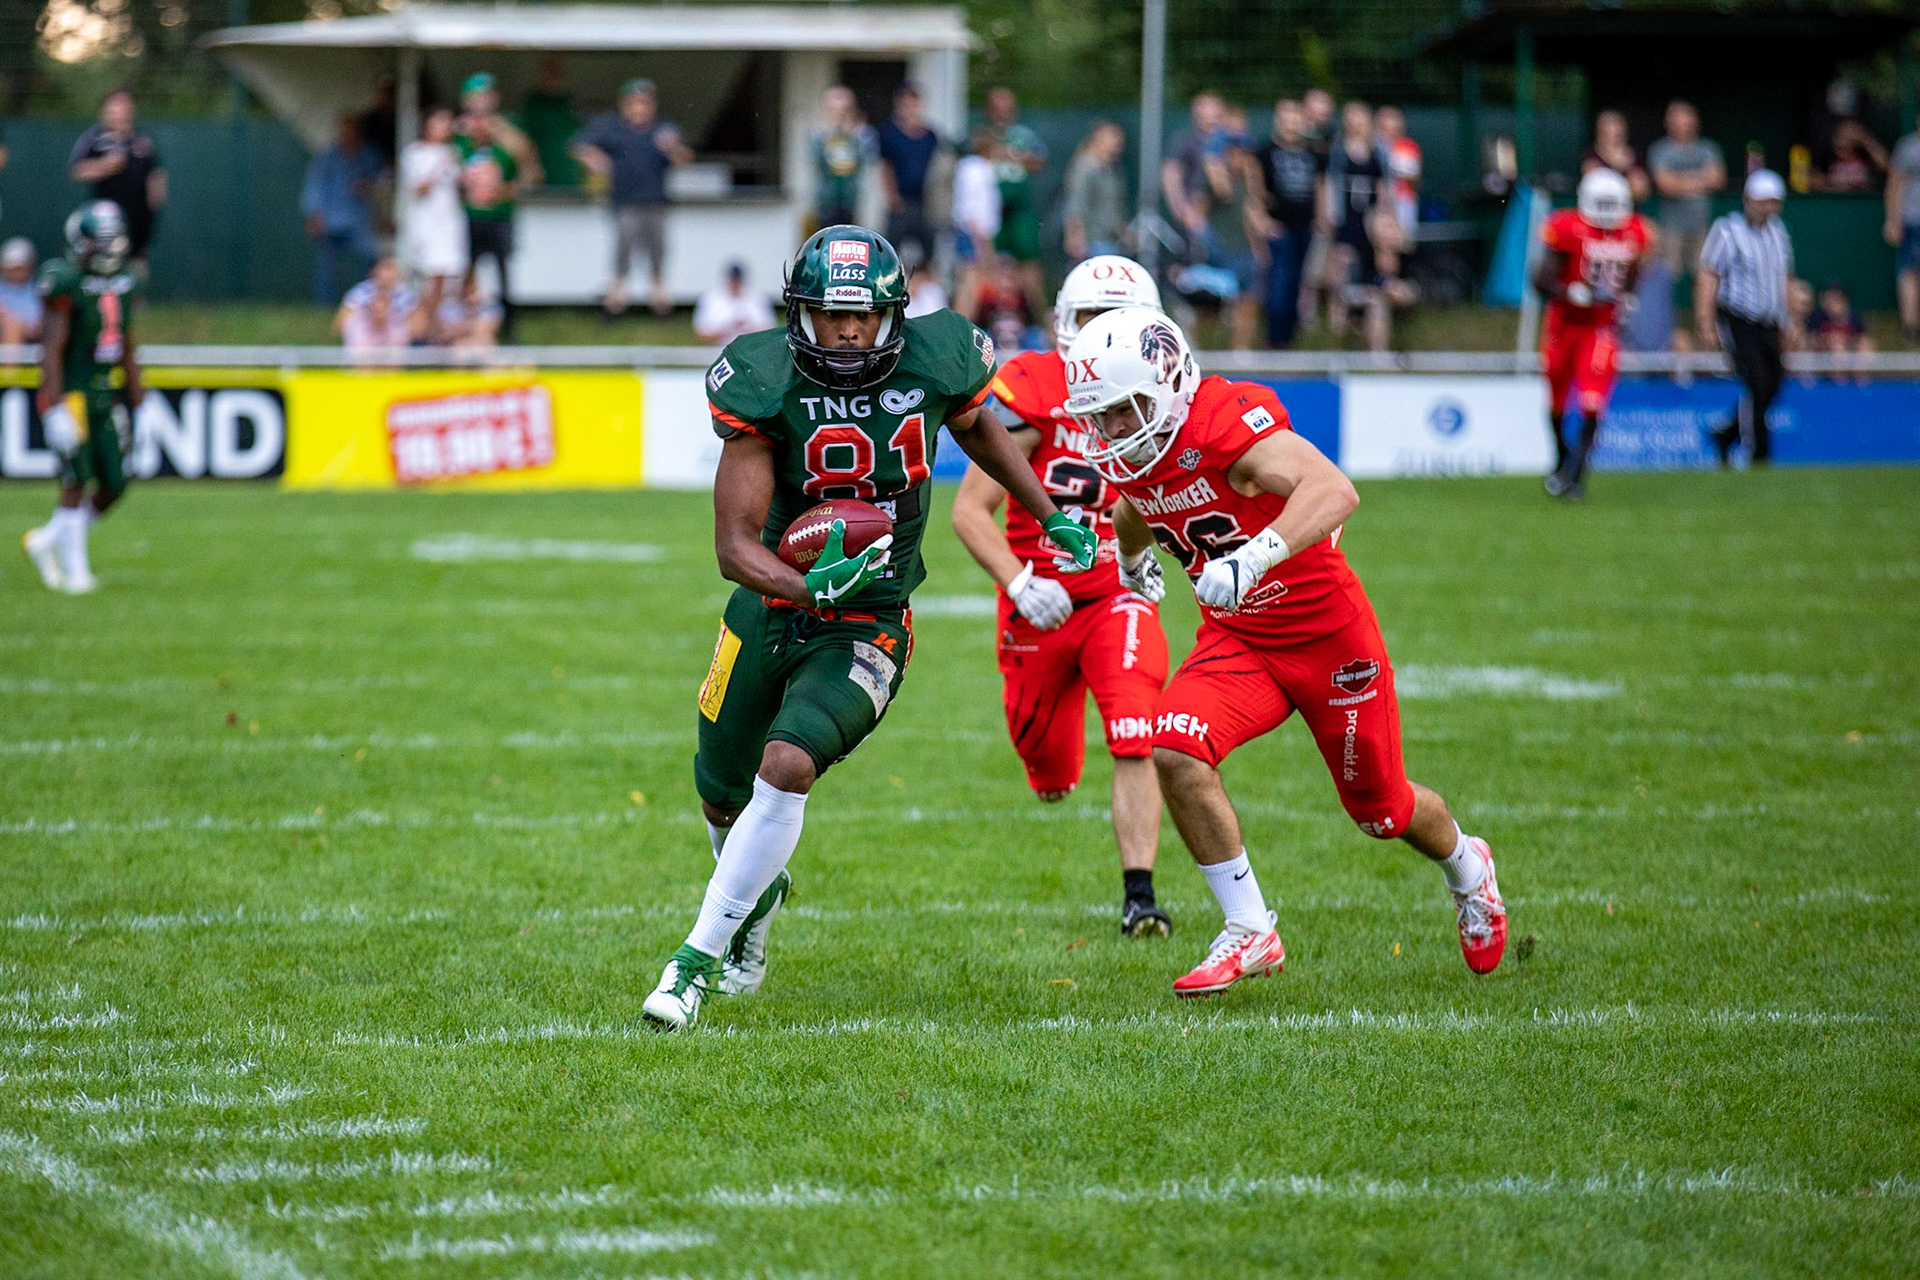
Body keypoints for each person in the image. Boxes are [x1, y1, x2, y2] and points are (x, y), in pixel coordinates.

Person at [638, 226, 1098, 1031]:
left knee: (786, 765)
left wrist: (1051, 515)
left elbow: (980, 426)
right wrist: (804, 585)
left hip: (872, 619)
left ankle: (694, 964)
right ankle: (757, 899)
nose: (848, 332)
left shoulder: (939, 356)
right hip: (770, 605)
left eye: (863, 317)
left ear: (894, 314)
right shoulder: (762, 378)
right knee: (720, 798)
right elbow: (733, 546)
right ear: (801, 315)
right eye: (831, 316)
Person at [1061, 307, 1508, 996]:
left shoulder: (1220, 422)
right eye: (1104, 417)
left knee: (1382, 812)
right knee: (1175, 747)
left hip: (1328, 641)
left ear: (1171, 382)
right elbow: (1132, 505)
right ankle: (1250, 928)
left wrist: (1251, 557)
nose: (1115, 430)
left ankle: (1470, 869)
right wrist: (1128, 562)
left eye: (1127, 410)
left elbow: (1334, 488)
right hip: (1240, 641)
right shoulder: (1139, 453)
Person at [951, 255, 1174, 935]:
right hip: (1038, 601)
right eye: (1091, 319)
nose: (1105, 333)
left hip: (1116, 594)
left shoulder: (1164, 385)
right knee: (1049, 776)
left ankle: (1140, 895)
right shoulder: (1035, 388)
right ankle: (1052, 761)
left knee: (1136, 731)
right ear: (1061, 325)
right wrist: (1019, 581)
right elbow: (968, 511)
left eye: (1119, 318)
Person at [20, 203, 143, 596]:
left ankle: (48, 541)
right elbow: (52, 349)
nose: (110, 249)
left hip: (105, 393)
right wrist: (54, 405)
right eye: (101, 241)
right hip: (71, 394)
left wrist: (142, 400)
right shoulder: (65, 280)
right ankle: (76, 571)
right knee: (76, 479)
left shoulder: (125, 281)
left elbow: (127, 344)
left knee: (115, 484)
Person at [1532, 168, 1652, 500]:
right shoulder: (1567, 228)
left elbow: (1634, 272)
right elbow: (1539, 279)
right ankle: (1561, 457)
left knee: (1592, 401)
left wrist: (1627, 295)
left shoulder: (1635, 232)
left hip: (1600, 327)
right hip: (1564, 324)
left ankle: (1575, 475)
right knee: (1556, 395)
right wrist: (1570, 292)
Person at [1696, 169, 1794, 468]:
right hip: (1739, 317)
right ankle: (1758, 452)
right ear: (1749, 200)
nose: (1768, 208)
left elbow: (1784, 278)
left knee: (1773, 383)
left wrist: (1789, 320)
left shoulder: (1778, 232)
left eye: (1773, 202)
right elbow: (1709, 274)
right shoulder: (1728, 230)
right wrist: (1706, 320)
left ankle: (1726, 434)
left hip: (1768, 320)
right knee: (1757, 381)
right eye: (1763, 201)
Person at [572, 78, 692, 318]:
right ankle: (616, 303)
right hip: (625, 202)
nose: (640, 108)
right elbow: (578, 145)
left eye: (644, 102)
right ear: (625, 105)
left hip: (656, 203)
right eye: (635, 103)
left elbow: (685, 158)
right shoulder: (612, 128)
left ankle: (660, 305)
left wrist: (673, 149)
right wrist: (596, 160)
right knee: (622, 253)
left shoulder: (663, 129)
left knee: (657, 254)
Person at [456, 73, 542, 340]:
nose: (480, 103)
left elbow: (530, 168)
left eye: (485, 97)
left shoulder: (508, 127)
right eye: (475, 97)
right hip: (468, 216)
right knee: (464, 273)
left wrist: (497, 130)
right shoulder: (458, 133)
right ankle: (462, 327)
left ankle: (508, 325)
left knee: (503, 271)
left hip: (500, 215)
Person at [68, 89, 166, 274]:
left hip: (139, 219)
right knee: (105, 266)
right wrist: (106, 165)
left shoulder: (141, 140)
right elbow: (77, 171)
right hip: (105, 220)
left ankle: (134, 300)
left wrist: (156, 199)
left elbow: (155, 173)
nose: (118, 110)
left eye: (123, 105)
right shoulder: (94, 138)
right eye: (113, 105)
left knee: (137, 266)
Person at [1253, 99, 1323, 348]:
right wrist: (1261, 220)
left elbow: (1318, 186)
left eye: (1296, 118)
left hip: (1304, 228)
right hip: (1278, 228)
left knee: (1297, 284)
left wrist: (1320, 217)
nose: (1291, 124)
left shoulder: (1311, 153)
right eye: (1286, 117)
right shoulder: (1265, 152)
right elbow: (1256, 189)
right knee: (1278, 284)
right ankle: (1274, 340)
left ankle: (1290, 340)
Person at [301, 115, 386, 307]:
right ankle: (325, 307)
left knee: (369, 260)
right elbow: (314, 187)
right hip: (330, 220)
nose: (349, 134)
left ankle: (370, 303)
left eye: (354, 129)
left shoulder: (369, 155)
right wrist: (314, 216)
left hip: (358, 220)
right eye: (346, 129)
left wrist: (369, 185)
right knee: (327, 269)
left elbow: (384, 178)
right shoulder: (327, 157)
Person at [1323, 100, 1388, 339]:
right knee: (1340, 274)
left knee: (1372, 276)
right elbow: (1331, 182)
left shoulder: (1377, 151)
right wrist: (1330, 215)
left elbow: (1383, 185)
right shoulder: (1338, 150)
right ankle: (1336, 335)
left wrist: (1383, 215)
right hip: (1345, 218)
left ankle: (1368, 334)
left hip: (1369, 221)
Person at [401, 107, 469, 324]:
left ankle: (437, 325)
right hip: (427, 223)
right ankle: (422, 325)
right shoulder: (415, 153)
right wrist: (439, 167)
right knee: (428, 276)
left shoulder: (455, 152)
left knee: (447, 275)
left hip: (449, 220)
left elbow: (462, 189)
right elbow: (419, 190)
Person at [1648, 101, 1725, 290]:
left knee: (1705, 278)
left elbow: (1717, 180)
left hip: (1701, 226)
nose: (1682, 124)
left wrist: (1680, 180)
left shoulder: (1708, 148)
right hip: (1670, 228)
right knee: (1666, 279)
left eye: (1687, 119)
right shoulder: (1660, 150)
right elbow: (1666, 186)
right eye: (1677, 120)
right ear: (1668, 122)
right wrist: (1700, 179)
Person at [984, 87, 1049, 302]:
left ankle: (1036, 318)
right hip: (990, 208)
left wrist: (1009, 155)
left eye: (1007, 109)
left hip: (1018, 208)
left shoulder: (1023, 135)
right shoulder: (982, 133)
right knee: (986, 264)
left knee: (1028, 264)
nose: (1002, 114)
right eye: (997, 109)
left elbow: (1039, 160)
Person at [876, 82, 941, 269]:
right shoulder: (889, 133)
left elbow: (938, 168)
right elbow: (885, 166)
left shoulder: (930, 135)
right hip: (901, 201)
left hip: (925, 201)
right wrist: (892, 196)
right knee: (890, 251)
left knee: (929, 251)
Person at [1163, 91, 1227, 255]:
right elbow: (1171, 174)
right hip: (1197, 214)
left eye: (1217, 114)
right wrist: (1183, 210)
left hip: (1226, 215)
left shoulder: (1229, 141)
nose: (1213, 119)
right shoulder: (1185, 141)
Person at [950, 132, 1002, 320]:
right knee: (970, 283)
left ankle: (967, 321)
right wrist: (981, 241)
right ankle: (961, 323)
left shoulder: (971, 168)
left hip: (975, 231)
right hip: (974, 231)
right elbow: (973, 208)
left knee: (976, 282)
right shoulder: (976, 170)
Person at [1061, 120, 1128, 264]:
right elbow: (1076, 204)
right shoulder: (1086, 168)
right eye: (1113, 136)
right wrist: (1076, 238)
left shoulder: (1112, 169)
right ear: (1097, 139)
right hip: (1091, 241)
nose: (1118, 141)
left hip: (1108, 240)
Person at [811, 86, 875, 231]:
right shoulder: (818, 136)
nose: (839, 115)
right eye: (833, 110)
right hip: (825, 204)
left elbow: (869, 159)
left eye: (844, 110)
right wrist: (830, 134)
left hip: (853, 203)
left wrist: (854, 134)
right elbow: (815, 163)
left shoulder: (862, 136)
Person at [334, 254, 419, 355]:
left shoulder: (407, 295)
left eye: (393, 268)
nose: (390, 273)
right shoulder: (359, 292)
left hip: (395, 342)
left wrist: (391, 327)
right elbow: (340, 325)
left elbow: (418, 328)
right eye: (386, 268)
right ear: (375, 270)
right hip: (365, 341)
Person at [518, 56, 581, 189]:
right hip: (543, 168)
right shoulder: (534, 104)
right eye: (549, 74)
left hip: (567, 171)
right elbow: (527, 140)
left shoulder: (566, 102)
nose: (553, 79)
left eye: (557, 75)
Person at [1887, 122, 1920, 345]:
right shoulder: (1907, 147)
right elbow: (1894, 184)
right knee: (1910, 273)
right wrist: (1892, 220)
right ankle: (1910, 327)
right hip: (1913, 221)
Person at [691, 260, 774, 346]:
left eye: (737, 280)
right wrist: (728, 329)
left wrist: (747, 328)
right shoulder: (711, 299)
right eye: (733, 280)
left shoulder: (758, 298)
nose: (735, 283)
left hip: (750, 351)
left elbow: (770, 332)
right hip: (718, 351)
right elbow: (701, 335)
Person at [1581, 110, 1651, 202]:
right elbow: (1595, 187)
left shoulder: (1637, 156)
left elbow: (1641, 190)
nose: (1610, 129)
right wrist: (1627, 183)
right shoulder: (1590, 156)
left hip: (1630, 212)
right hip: (1598, 212)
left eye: (1615, 123)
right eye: (1606, 125)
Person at [1375, 105, 1421, 240]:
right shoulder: (1373, 146)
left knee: (1405, 239)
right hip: (1379, 200)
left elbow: (1416, 178)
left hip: (1403, 200)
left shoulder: (1408, 146)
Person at [431, 272, 501, 350]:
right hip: (455, 347)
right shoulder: (449, 305)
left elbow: (487, 329)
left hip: (478, 345)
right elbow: (445, 331)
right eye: (467, 284)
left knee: (486, 340)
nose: (469, 289)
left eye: (472, 285)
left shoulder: (489, 305)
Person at [1814, 119, 1886, 193]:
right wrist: (1835, 186)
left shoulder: (1864, 154)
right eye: (1843, 134)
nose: (1847, 137)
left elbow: (1884, 165)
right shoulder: (1828, 155)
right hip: (1837, 200)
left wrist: (1865, 139)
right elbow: (1816, 181)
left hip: (1862, 200)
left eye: (1851, 133)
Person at [0, 237, 44, 347]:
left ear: (29, 266)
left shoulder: (38, 290)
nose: (14, 272)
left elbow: (37, 324)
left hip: (30, 335)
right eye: (10, 268)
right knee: (11, 326)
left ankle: (10, 364)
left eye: (18, 268)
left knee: (13, 327)